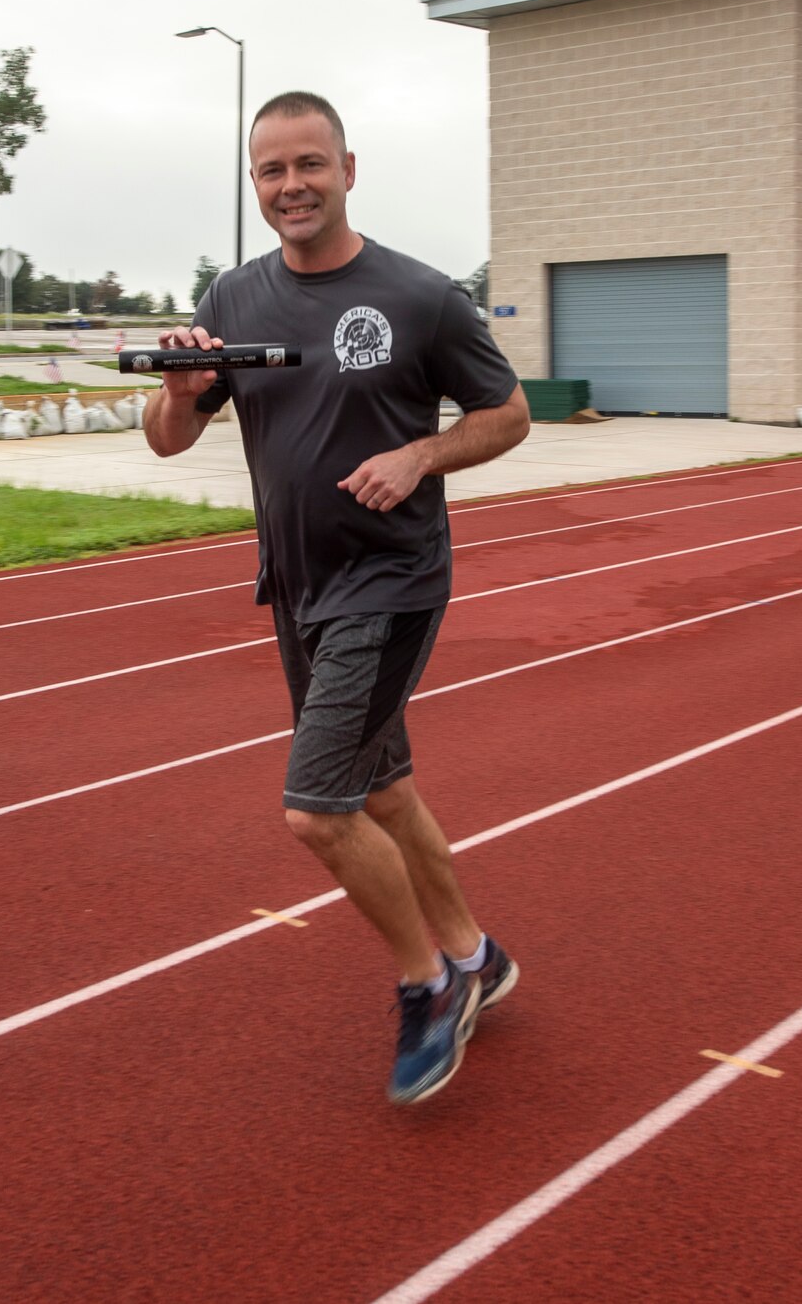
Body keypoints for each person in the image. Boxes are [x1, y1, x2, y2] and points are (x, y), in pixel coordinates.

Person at [142, 92, 531, 1105]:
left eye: (307, 164)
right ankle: (473, 953)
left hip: (390, 582)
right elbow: (167, 438)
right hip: (298, 586)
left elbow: (506, 415)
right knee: (384, 791)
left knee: (318, 811)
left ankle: (428, 984)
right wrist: (178, 393)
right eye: (270, 171)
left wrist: (418, 456)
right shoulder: (230, 300)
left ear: (347, 169)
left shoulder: (418, 296)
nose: (289, 187)